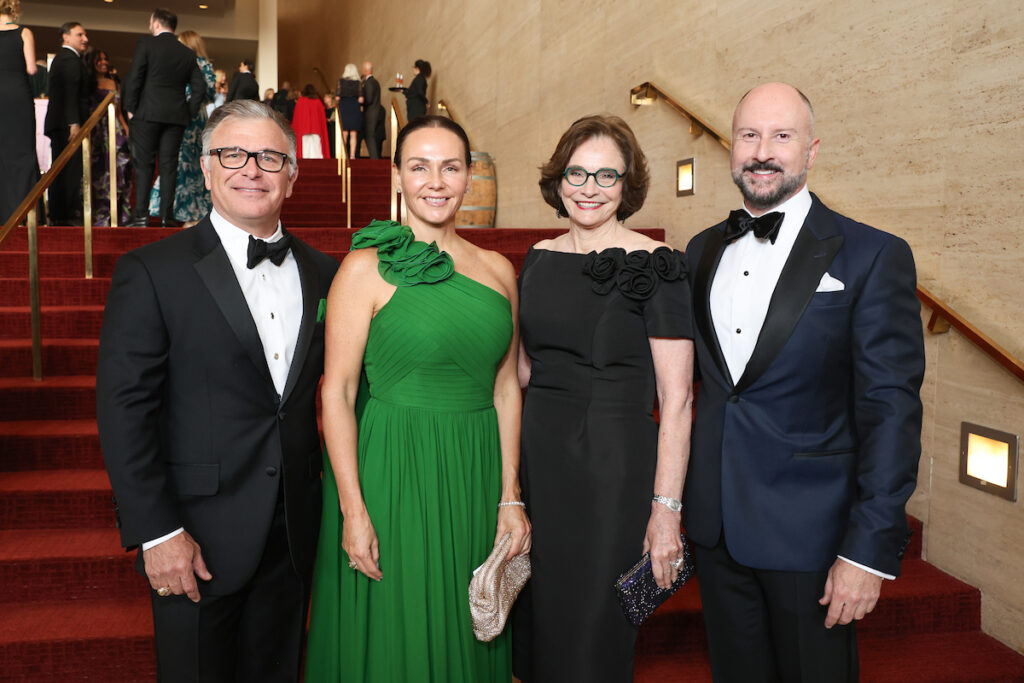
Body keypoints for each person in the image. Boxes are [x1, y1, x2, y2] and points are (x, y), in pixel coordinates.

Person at [683, 82, 925, 682]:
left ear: (811, 150)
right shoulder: (700, 249)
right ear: (731, 147)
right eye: (749, 135)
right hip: (716, 527)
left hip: (811, 537)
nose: (762, 150)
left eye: (781, 136)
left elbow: (890, 411)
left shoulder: (871, 255)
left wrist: (866, 550)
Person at [97, 100, 339, 682]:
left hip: (295, 533)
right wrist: (157, 531)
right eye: (232, 154)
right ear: (205, 169)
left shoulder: (328, 273)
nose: (251, 169)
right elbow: (125, 409)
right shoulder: (153, 271)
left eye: (269, 156)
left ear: (292, 173)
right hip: (194, 535)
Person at [305, 115, 530, 682]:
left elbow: (506, 387)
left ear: (468, 177)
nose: (436, 181)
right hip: (392, 472)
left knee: (465, 614)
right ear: (398, 177)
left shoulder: (500, 272)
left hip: (474, 468)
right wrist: (352, 510)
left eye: (450, 167)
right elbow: (338, 391)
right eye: (419, 166)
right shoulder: (363, 268)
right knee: (397, 625)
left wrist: (510, 494)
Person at [512, 115, 694, 682]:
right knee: (537, 618)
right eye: (577, 173)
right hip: (541, 459)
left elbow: (679, 398)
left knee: (591, 630)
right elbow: (518, 371)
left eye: (606, 175)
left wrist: (666, 513)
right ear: (558, 179)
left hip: (611, 468)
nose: (588, 187)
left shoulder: (658, 265)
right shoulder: (538, 257)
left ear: (627, 185)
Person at [123, 8, 206, 227]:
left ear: (156, 23)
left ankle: (141, 216)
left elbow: (135, 77)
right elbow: (200, 88)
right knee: (169, 166)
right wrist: (187, 112)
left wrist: (130, 108)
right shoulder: (186, 53)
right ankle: (165, 217)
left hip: (146, 114)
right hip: (176, 116)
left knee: (144, 165)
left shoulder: (146, 44)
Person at [146, 29, 215, 226]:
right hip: (198, 117)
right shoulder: (205, 66)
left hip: (179, 114)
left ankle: (171, 209)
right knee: (194, 164)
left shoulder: (180, 62)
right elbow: (209, 94)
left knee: (177, 161)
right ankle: (193, 213)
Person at [43, 21, 89, 226]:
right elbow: (71, 94)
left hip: (60, 123)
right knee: (69, 171)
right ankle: (64, 215)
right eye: (80, 35)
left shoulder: (65, 59)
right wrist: (74, 123)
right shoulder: (70, 59)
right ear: (66, 37)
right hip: (66, 124)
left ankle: (59, 214)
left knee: (62, 169)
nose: (85, 39)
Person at [0, 0, 39, 225]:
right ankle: (23, 213)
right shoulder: (24, 32)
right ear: (14, 9)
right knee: (22, 150)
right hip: (17, 96)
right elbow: (31, 68)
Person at [85, 48, 133, 226]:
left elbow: (119, 110)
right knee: (98, 173)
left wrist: (126, 129)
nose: (104, 62)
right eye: (99, 59)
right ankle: (100, 217)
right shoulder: (87, 83)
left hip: (115, 131)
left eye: (106, 59)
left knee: (121, 171)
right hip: (96, 133)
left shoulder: (114, 83)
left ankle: (120, 215)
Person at [291, 83, 329, 159]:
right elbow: (322, 119)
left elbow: (297, 117)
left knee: (305, 150)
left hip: (303, 130)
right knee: (316, 150)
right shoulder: (318, 102)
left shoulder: (300, 101)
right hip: (316, 129)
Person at [335, 63, 362, 159]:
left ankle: (342, 154)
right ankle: (352, 155)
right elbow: (361, 99)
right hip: (354, 107)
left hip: (344, 107)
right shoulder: (358, 83)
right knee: (353, 134)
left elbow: (337, 97)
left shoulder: (341, 82)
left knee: (344, 133)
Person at [360, 60, 385, 158]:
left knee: (369, 136)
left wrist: (361, 101)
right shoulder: (376, 82)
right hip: (375, 112)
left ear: (365, 70)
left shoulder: (369, 83)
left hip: (370, 114)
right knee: (371, 136)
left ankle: (374, 159)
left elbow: (369, 99)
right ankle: (375, 158)